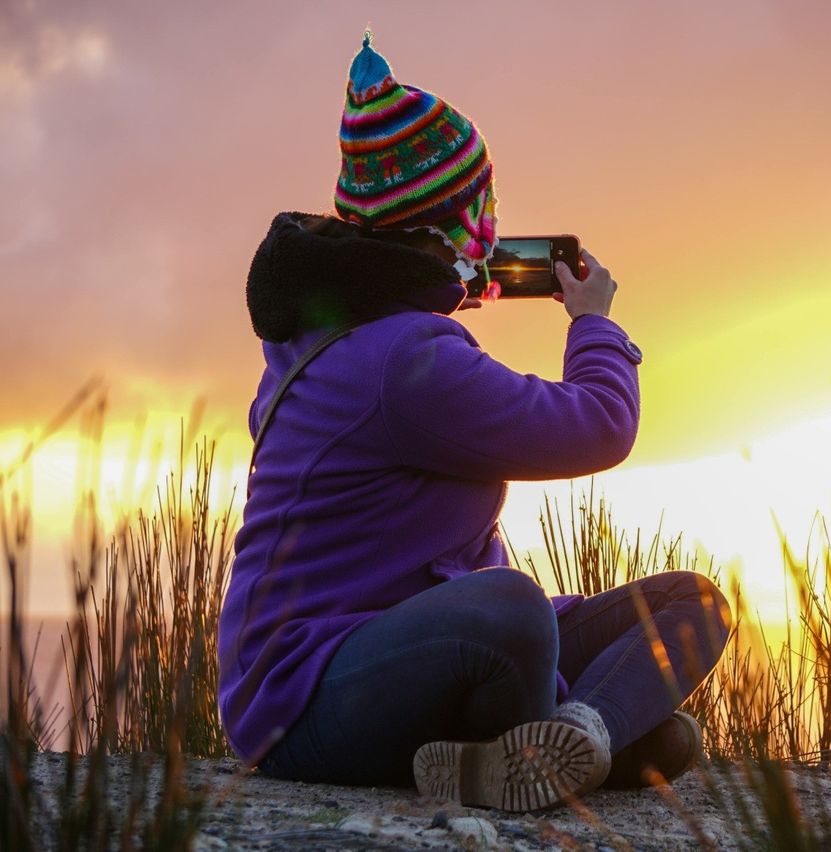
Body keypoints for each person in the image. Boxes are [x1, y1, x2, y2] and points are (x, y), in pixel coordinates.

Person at [216, 33, 731, 812]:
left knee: (693, 604)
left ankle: (579, 738)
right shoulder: (404, 359)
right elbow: (598, 425)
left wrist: (440, 284)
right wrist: (592, 322)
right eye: (481, 209)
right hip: (306, 700)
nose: (491, 229)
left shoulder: (341, 333)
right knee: (511, 609)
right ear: (447, 226)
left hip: (400, 651)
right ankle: (592, 734)